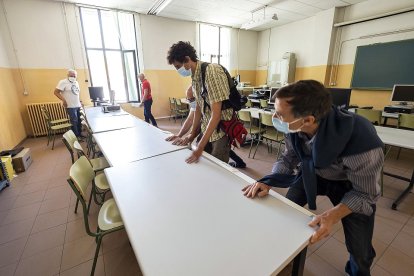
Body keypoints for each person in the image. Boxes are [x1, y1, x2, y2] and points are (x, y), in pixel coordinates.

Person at [242, 80, 384, 276]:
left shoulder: (360, 139)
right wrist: (269, 180)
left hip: (351, 186)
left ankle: (358, 271)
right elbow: (288, 157)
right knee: (286, 213)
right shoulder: (294, 127)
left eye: (280, 114)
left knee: (360, 247)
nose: (275, 117)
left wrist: (331, 215)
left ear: (308, 120)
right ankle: (284, 256)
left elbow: (366, 194)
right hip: (312, 172)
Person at [167, 41, 232, 164]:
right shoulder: (195, 77)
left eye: (177, 66)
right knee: (202, 164)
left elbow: (216, 115)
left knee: (218, 168)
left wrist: (200, 147)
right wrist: (190, 135)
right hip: (206, 127)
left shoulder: (212, 71)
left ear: (187, 59)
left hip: (220, 131)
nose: (178, 70)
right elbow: (198, 109)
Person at [166, 86, 246, 168]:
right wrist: (180, 135)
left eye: (191, 99)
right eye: (188, 99)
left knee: (219, 154)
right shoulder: (197, 102)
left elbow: (213, 119)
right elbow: (190, 119)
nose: (190, 102)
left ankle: (240, 162)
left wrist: (196, 140)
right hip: (207, 130)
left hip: (219, 131)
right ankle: (239, 162)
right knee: (216, 151)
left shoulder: (210, 101)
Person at [54, 69, 83, 139]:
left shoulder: (76, 82)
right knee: (74, 121)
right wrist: (63, 100)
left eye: (74, 76)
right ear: (67, 75)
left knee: (79, 120)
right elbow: (56, 92)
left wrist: (80, 102)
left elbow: (76, 93)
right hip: (70, 106)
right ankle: (75, 136)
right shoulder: (63, 82)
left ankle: (79, 134)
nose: (73, 77)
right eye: (71, 76)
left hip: (77, 105)